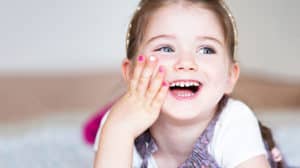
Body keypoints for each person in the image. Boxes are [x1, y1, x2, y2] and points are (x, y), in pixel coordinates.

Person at [93, 0, 284, 167]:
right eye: (166, 48)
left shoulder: (234, 122)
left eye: (206, 50)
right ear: (131, 72)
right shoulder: (118, 123)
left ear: (230, 77)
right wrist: (119, 131)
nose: (186, 63)